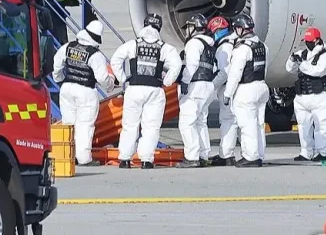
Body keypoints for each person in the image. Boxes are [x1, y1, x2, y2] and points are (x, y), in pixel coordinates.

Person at [111, 13, 182, 169]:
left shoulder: (133, 44)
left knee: (130, 125)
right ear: (159, 27)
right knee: (151, 126)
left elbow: (115, 59)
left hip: (134, 89)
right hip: (155, 90)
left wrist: (123, 78)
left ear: (144, 25)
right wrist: (167, 81)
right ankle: (146, 160)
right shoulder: (165, 48)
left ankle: (124, 159)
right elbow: (177, 65)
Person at [51, 19, 115, 167]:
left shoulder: (68, 47)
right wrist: (110, 85)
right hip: (86, 91)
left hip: (67, 89)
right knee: (85, 125)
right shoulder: (95, 54)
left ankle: (69, 156)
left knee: (68, 123)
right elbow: (102, 78)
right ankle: (84, 158)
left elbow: (57, 63)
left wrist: (59, 79)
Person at [224, 13, 270, 167]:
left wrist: (227, 94)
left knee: (247, 124)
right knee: (259, 124)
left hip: (246, 89)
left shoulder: (242, 49)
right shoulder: (263, 46)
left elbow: (235, 74)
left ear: (240, 29)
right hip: (262, 86)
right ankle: (260, 153)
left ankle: (251, 156)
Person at [285, 26, 326, 163]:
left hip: (319, 96)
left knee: (322, 125)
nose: (307, 43)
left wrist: (301, 64)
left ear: (317, 40)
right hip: (302, 96)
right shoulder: (302, 54)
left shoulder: (325, 56)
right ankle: (306, 151)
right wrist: (292, 60)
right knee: (303, 126)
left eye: (310, 40)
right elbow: (289, 69)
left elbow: (317, 71)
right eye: (306, 40)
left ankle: (323, 152)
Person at [176, 13, 217, 168]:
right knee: (201, 122)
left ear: (194, 27)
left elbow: (191, 65)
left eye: (188, 27)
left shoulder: (193, 43)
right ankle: (203, 155)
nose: (187, 31)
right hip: (208, 86)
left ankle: (192, 157)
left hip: (195, 86)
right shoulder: (211, 45)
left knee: (187, 123)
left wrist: (185, 82)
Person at [209, 15, 239, 166]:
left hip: (227, 87)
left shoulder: (223, 47)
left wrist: (210, 86)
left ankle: (226, 154)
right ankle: (250, 154)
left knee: (228, 120)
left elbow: (224, 72)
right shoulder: (238, 42)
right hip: (242, 86)